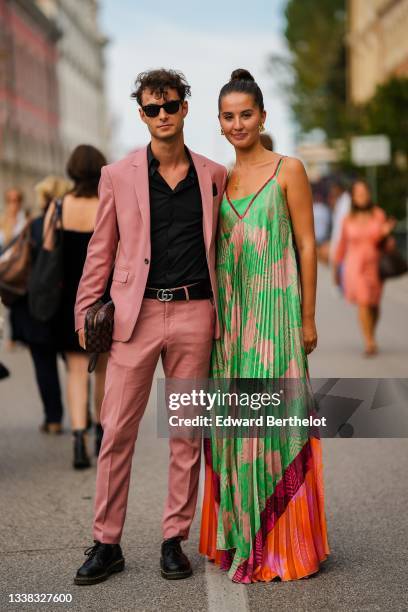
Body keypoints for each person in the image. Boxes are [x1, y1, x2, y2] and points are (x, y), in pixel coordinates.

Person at [73, 69, 227, 585]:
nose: (162, 115)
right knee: (116, 430)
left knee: (186, 434)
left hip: (194, 314)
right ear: (142, 115)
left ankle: (173, 540)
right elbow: (102, 249)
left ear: (185, 108)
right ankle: (106, 543)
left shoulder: (213, 175)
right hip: (133, 318)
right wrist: (84, 310)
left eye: (171, 105)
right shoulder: (117, 175)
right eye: (152, 108)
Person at [199, 69, 329, 583]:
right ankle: (241, 536)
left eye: (246, 114)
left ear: (262, 116)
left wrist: (308, 317)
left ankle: (283, 543)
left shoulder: (288, 169)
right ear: (220, 122)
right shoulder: (217, 179)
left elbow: (308, 245)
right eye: (228, 117)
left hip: (276, 319)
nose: (238, 124)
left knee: (277, 425)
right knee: (234, 431)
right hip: (230, 326)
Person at [43, 146, 110, 468]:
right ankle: (101, 433)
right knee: (102, 372)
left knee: (74, 372)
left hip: (67, 301)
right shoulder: (106, 204)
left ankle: (78, 440)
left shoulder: (58, 206)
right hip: (101, 299)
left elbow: (47, 248)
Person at [8, 176, 71, 434]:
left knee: (44, 365)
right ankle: (84, 415)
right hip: (69, 306)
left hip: (37, 306)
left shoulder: (33, 226)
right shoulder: (77, 223)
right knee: (76, 365)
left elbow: (17, 261)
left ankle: (53, 418)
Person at [334, 179, 395, 356]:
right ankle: (369, 341)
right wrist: (336, 269)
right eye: (358, 193)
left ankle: (371, 333)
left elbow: (382, 241)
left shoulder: (378, 215)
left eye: (364, 192)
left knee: (374, 304)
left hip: (375, 265)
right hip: (354, 266)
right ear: (353, 197)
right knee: (363, 300)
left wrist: (385, 233)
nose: (362, 196)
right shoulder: (348, 219)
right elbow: (342, 245)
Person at [0, 188, 29, 350]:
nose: (14, 204)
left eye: (17, 200)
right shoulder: (2, 220)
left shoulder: (24, 220)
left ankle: (16, 335)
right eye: (10, 200)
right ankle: (10, 335)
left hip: (19, 268)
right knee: (6, 302)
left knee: (17, 300)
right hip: (3, 267)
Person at [312, 181, 331, 264]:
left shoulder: (313, 208)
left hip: (315, 241)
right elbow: (329, 225)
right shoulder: (326, 209)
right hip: (322, 241)